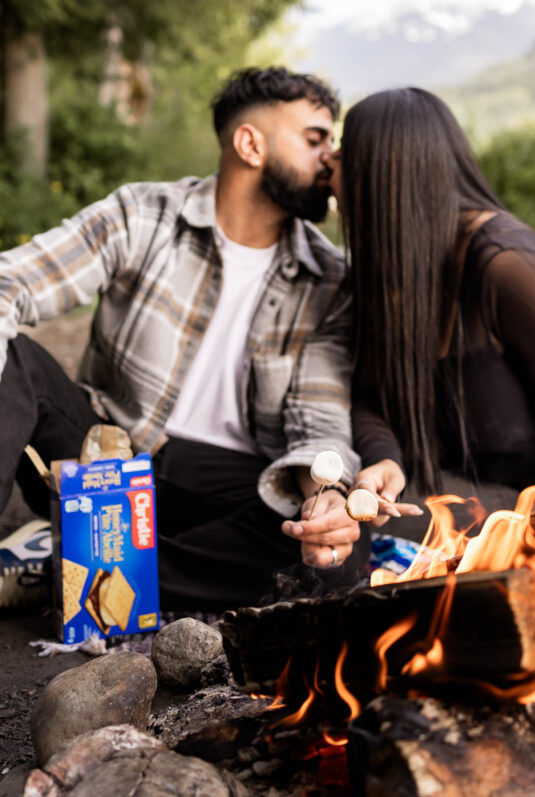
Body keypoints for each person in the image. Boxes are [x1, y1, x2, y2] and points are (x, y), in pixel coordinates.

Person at [0, 67, 368, 611]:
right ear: (250, 144)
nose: (330, 159)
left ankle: (67, 570)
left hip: (227, 490)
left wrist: (328, 498)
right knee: (15, 359)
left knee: (340, 553)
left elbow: (319, 421)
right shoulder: (145, 214)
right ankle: (99, 567)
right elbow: (15, 281)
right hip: (103, 456)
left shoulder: (329, 279)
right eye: (315, 139)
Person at [326, 87, 535, 526]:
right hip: (486, 482)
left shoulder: (508, 266)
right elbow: (371, 397)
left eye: (343, 151)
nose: (329, 162)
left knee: (357, 529)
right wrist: (384, 460)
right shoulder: (390, 271)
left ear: (381, 170)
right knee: (345, 516)